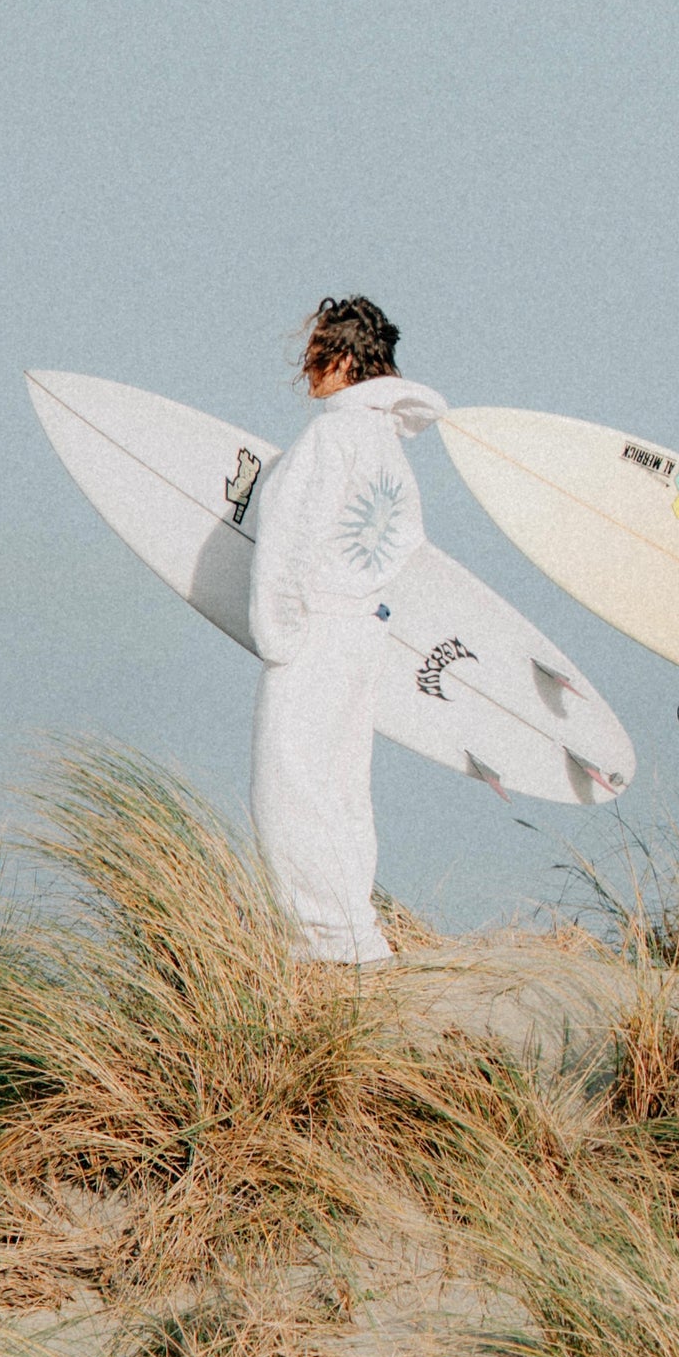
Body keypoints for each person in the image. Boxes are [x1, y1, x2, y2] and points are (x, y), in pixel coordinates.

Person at [247, 296, 442, 964]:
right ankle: (354, 930)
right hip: (364, 633)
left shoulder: (330, 438)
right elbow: (408, 542)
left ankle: (323, 940)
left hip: (317, 631)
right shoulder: (387, 444)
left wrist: (278, 632)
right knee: (342, 787)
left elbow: (287, 539)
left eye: (313, 356)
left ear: (343, 359)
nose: (305, 371)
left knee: (288, 785)